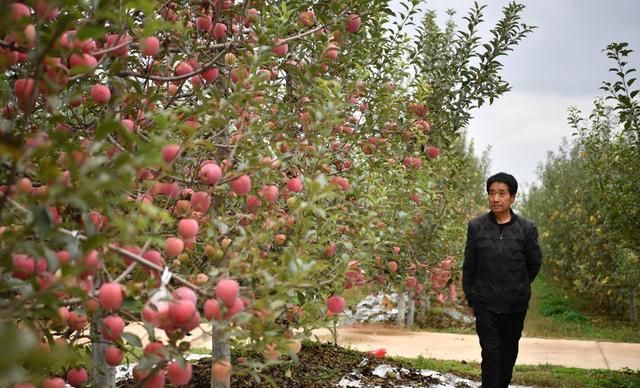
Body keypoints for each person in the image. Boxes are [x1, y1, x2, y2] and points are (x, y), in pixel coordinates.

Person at [462, 172, 542, 388]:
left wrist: (520, 286)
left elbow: (534, 264)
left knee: (508, 354)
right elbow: (470, 265)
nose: (495, 198)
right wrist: (472, 297)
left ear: (512, 197)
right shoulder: (476, 226)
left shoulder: (526, 229)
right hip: (485, 304)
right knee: (490, 353)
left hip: (514, 305)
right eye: (491, 193)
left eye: (501, 193)